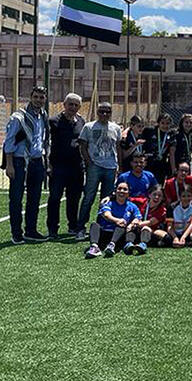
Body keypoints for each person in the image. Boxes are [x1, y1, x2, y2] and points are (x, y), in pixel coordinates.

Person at [3, 86, 49, 244]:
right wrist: (9, 165)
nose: (38, 100)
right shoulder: (18, 117)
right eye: (36, 97)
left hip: (37, 161)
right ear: (31, 97)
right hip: (19, 161)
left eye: (42, 97)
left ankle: (31, 230)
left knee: (34, 198)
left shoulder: (43, 115)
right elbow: (8, 142)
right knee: (16, 198)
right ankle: (16, 233)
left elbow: (43, 139)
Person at [76, 102, 122, 240]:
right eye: (101, 111)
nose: (104, 114)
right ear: (97, 112)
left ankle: (101, 227)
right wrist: (89, 162)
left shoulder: (115, 128)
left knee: (106, 200)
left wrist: (119, 165)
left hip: (110, 167)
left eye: (107, 112)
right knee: (88, 197)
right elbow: (82, 146)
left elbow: (118, 148)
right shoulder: (88, 127)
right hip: (94, 167)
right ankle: (81, 228)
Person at [46, 92, 85, 239]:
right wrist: (49, 165)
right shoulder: (53, 121)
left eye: (76, 105)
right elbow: (46, 143)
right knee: (55, 198)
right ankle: (52, 229)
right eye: (70, 104)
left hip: (76, 166)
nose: (73, 107)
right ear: (64, 104)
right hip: (58, 167)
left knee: (74, 198)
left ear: (79, 107)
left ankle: (73, 226)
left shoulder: (82, 122)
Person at [85, 181, 142, 259]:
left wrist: (132, 224)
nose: (122, 191)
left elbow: (138, 218)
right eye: (119, 189)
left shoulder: (132, 206)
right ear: (115, 191)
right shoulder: (109, 203)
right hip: (104, 234)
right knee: (94, 224)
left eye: (125, 189)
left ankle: (112, 245)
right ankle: (94, 247)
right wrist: (117, 220)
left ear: (128, 193)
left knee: (122, 225)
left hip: (118, 237)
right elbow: (106, 215)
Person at [133, 186, 168, 251]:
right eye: (154, 194)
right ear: (149, 195)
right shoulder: (142, 201)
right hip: (138, 228)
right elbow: (127, 198)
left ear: (162, 198)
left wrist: (136, 224)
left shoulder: (162, 210)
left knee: (167, 238)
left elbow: (150, 222)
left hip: (153, 230)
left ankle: (143, 245)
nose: (157, 197)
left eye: (160, 196)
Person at [143, 113, 174, 183]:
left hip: (161, 165)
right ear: (158, 123)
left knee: (158, 186)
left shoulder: (171, 134)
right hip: (149, 164)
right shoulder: (149, 131)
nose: (165, 126)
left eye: (167, 123)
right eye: (162, 123)